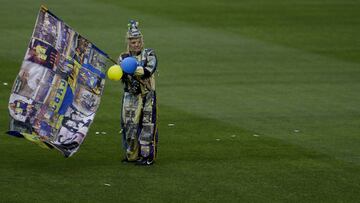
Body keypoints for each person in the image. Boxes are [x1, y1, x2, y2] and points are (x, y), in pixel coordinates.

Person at [118, 20, 158, 166]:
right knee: (129, 125)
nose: (136, 45)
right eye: (133, 42)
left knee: (148, 125)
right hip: (130, 96)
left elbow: (149, 70)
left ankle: (147, 157)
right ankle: (132, 155)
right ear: (129, 43)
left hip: (147, 96)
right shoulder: (122, 57)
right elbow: (121, 76)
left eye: (138, 41)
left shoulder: (149, 54)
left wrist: (133, 69)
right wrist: (120, 71)